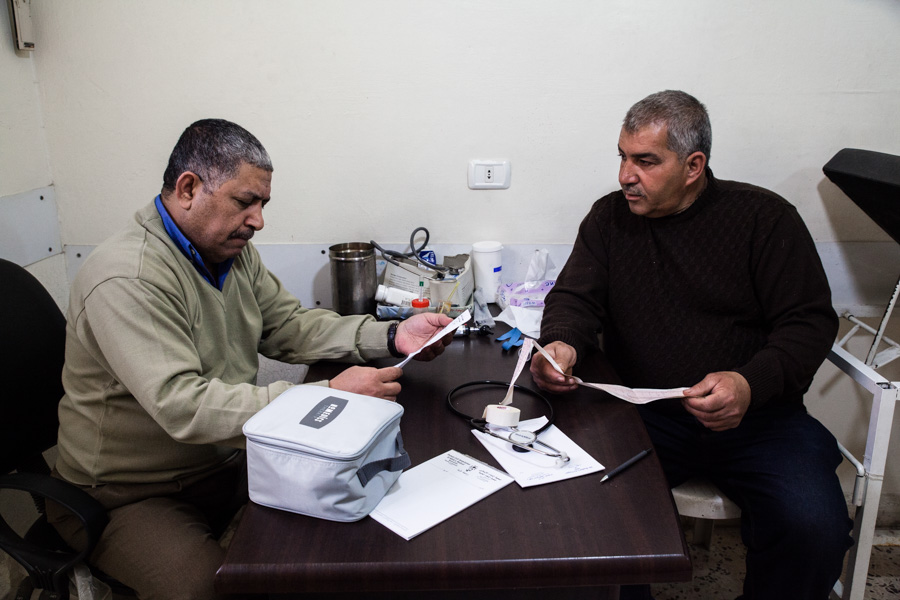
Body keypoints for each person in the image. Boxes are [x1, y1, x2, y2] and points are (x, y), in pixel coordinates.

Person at [48, 118, 454, 600]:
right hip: (128, 494)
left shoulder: (229, 252)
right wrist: (328, 396)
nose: (258, 220)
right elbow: (184, 406)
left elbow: (289, 327)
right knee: (221, 589)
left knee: (344, 529)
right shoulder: (127, 278)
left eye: (262, 204)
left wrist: (391, 335)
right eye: (245, 202)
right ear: (188, 189)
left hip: (224, 461)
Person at [530, 91, 852, 599]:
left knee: (813, 529)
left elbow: (807, 323)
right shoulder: (609, 219)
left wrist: (749, 383)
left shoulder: (763, 219)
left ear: (693, 165)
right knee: (587, 514)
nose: (625, 176)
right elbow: (574, 299)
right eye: (622, 157)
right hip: (646, 414)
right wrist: (562, 345)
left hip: (759, 419)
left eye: (645, 161)